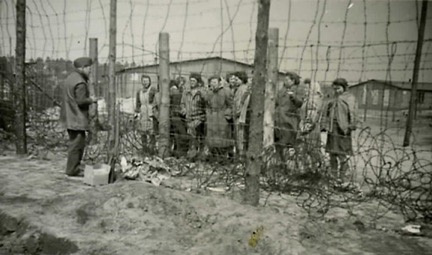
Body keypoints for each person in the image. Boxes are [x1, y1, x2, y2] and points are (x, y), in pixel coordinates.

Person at [60, 57, 97, 177]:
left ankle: (73, 167)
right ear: (82, 68)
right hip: (77, 117)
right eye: (88, 68)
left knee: (74, 143)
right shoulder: (80, 82)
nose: (90, 71)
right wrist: (91, 100)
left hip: (69, 116)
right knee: (77, 144)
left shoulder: (70, 78)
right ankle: (72, 170)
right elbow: (81, 101)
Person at [321, 78, 359, 184]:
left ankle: (342, 177)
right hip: (333, 130)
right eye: (335, 89)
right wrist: (324, 125)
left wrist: (351, 125)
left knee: (343, 155)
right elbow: (326, 113)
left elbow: (353, 113)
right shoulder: (332, 99)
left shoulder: (350, 99)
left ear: (344, 88)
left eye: (339, 88)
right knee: (332, 154)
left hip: (343, 130)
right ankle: (333, 176)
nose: (337, 91)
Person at [274, 71, 304, 162]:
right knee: (278, 144)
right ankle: (281, 164)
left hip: (289, 121)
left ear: (293, 81)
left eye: (287, 79)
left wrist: (293, 96)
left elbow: (299, 103)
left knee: (286, 143)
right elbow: (276, 102)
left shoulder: (298, 90)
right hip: (278, 120)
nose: (285, 81)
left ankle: (290, 164)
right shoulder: (281, 90)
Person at [205, 76, 234, 163]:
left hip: (222, 116)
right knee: (211, 137)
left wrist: (226, 115)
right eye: (211, 82)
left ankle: (224, 157)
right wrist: (208, 114)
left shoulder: (226, 91)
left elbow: (231, 105)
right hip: (212, 117)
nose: (213, 84)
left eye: (215, 82)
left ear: (219, 83)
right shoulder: (209, 93)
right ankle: (213, 157)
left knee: (223, 136)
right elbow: (207, 104)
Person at [180, 73, 207, 159]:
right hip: (189, 117)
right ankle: (193, 154)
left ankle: (200, 154)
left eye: (194, 81)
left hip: (199, 117)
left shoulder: (202, 91)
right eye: (190, 80)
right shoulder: (186, 92)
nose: (192, 82)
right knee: (191, 136)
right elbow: (182, 103)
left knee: (199, 136)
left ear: (198, 82)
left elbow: (206, 103)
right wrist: (183, 109)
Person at [134, 75, 157, 155]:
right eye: (144, 81)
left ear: (149, 81)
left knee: (151, 132)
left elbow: (156, 100)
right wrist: (137, 113)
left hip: (151, 112)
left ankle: (152, 149)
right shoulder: (139, 91)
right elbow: (138, 103)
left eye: (147, 81)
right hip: (143, 112)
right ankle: (144, 148)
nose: (145, 83)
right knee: (143, 132)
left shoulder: (153, 90)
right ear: (141, 82)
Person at [232, 71, 251, 159]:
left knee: (241, 136)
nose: (235, 81)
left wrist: (238, 112)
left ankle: (241, 156)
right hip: (238, 115)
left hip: (240, 116)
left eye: (237, 79)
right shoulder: (239, 88)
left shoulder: (243, 89)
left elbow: (241, 103)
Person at [169, 79, 189, 157]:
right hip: (177, 116)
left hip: (175, 116)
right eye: (181, 84)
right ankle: (181, 152)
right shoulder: (177, 93)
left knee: (176, 135)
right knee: (181, 134)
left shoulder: (176, 92)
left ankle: (176, 151)